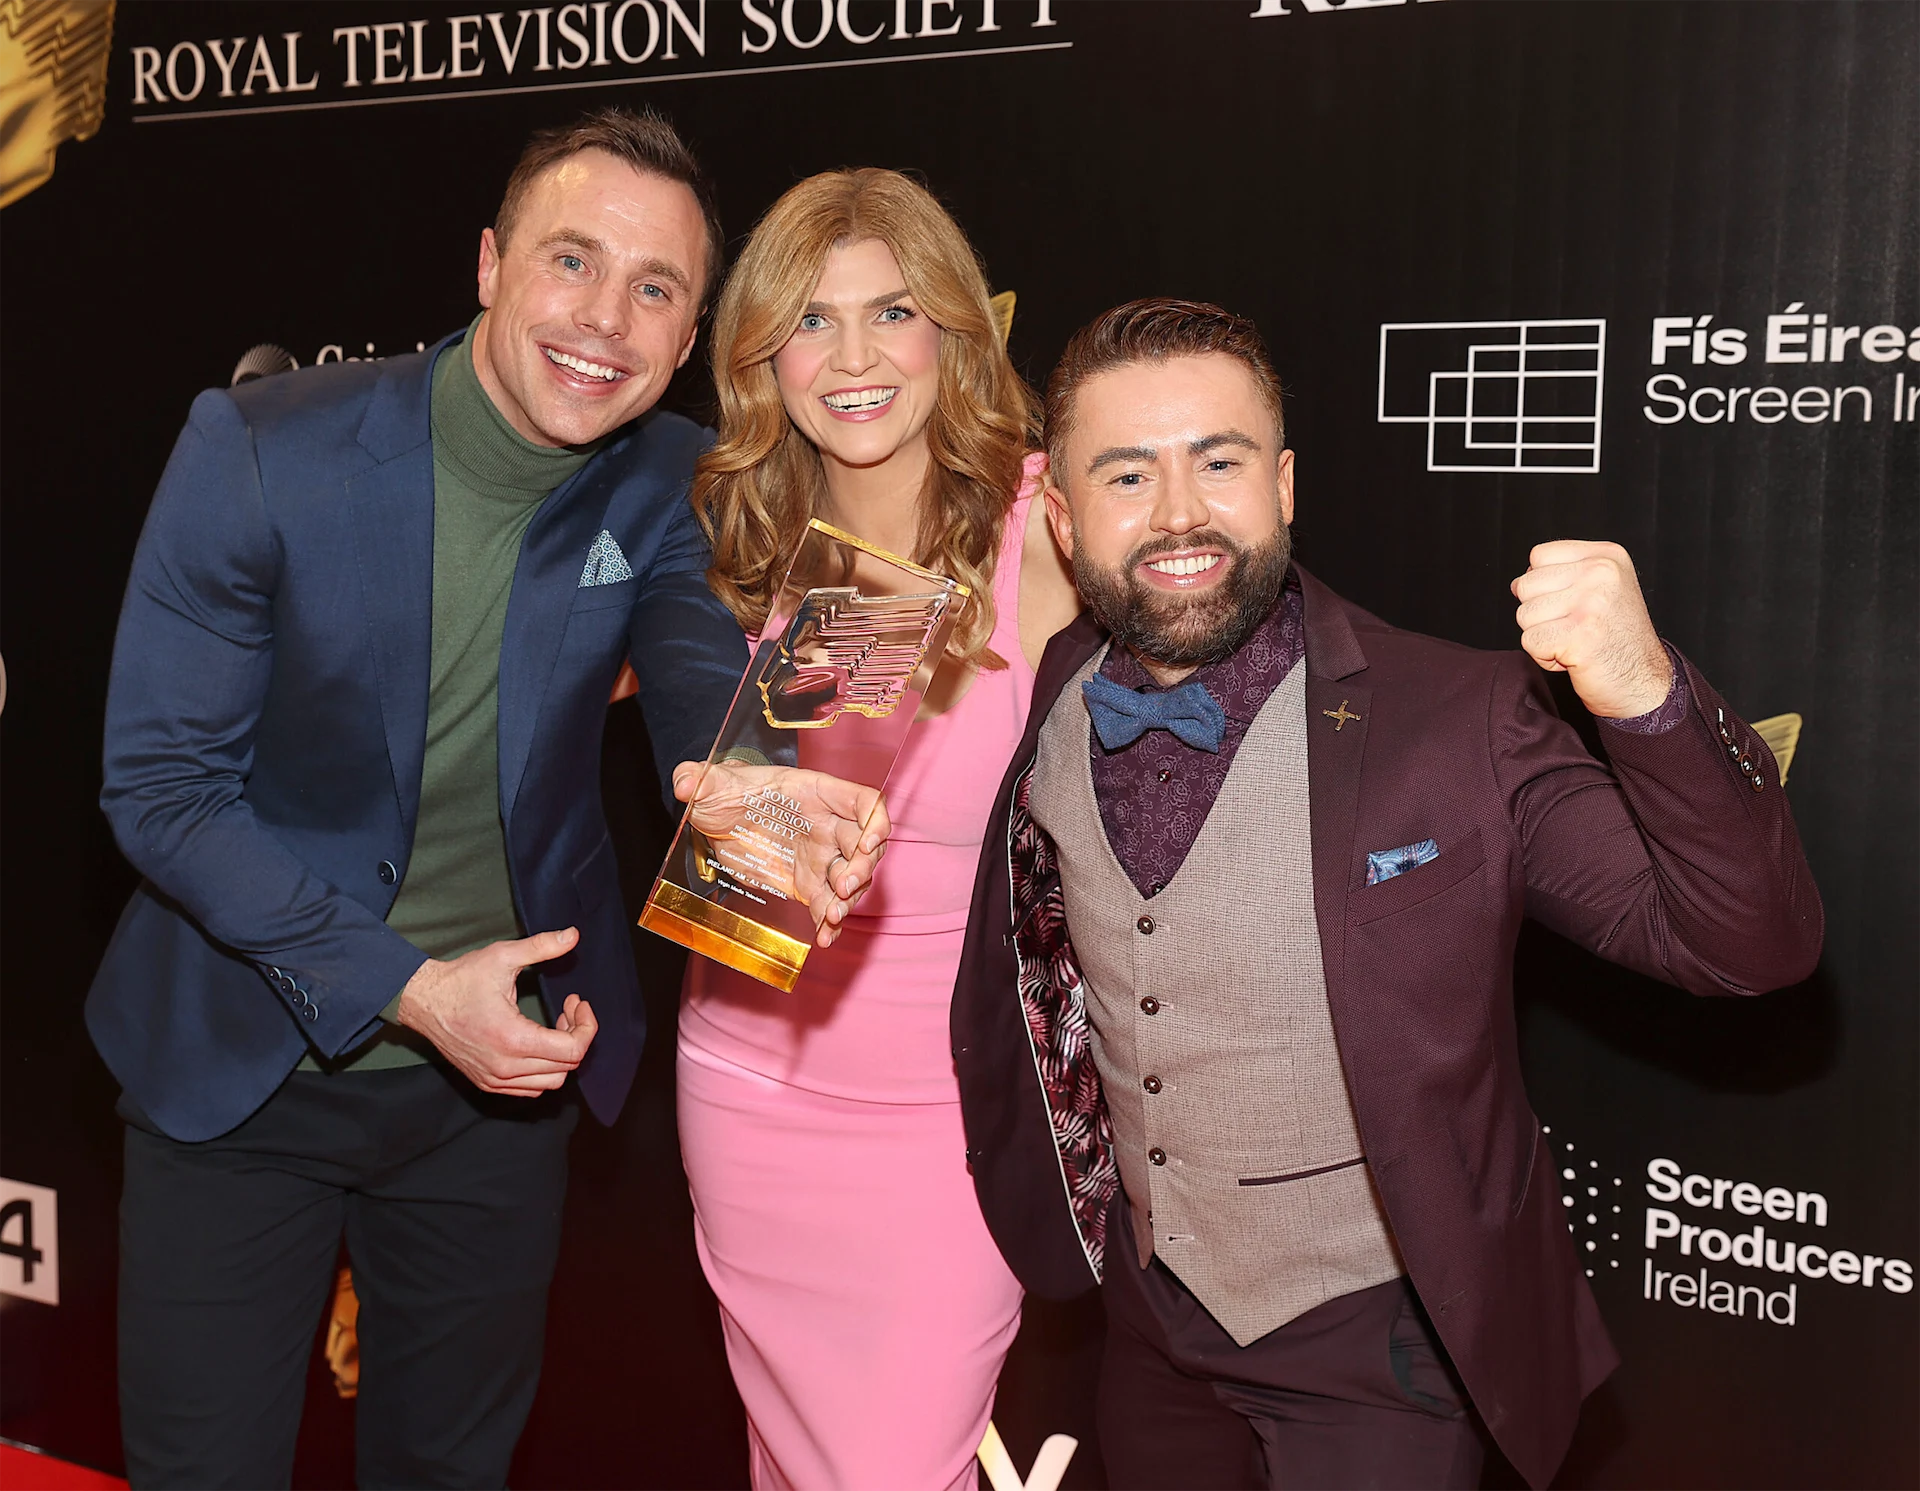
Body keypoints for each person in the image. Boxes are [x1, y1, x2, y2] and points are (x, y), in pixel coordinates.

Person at [88, 108, 887, 1491]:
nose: (605, 320)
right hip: (239, 1067)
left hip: (498, 1091)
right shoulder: (264, 448)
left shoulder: (666, 476)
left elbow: (699, 673)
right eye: (572, 261)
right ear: (487, 264)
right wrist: (404, 987)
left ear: (689, 336)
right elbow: (162, 790)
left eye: (654, 289)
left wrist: (758, 793)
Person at [950, 299, 1824, 1491]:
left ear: (1284, 486)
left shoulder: (1458, 716)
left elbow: (1745, 944)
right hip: (1150, 1321)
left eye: (1220, 462)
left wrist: (1641, 691)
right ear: (1062, 516)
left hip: (1380, 1345)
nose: (1180, 513)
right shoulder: (1061, 687)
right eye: (1128, 474)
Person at [677, 169, 1080, 1491]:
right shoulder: (746, 544)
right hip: (747, 1074)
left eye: (891, 311)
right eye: (811, 319)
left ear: (953, 329)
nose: (852, 358)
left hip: (945, 1113)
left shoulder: (1046, 529)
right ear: (764, 356)